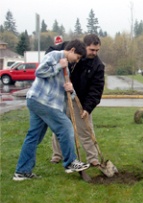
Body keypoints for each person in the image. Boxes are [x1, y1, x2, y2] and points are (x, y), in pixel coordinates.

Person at [13, 39, 90, 181]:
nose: (77, 61)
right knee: (66, 127)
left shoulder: (67, 66)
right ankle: (70, 162)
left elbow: (63, 89)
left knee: (34, 137)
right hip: (43, 101)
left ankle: (22, 172)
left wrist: (71, 90)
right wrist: (58, 66)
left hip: (40, 102)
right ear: (72, 50)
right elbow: (39, 72)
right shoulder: (55, 56)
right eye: (77, 57)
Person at [47, 34, 105, 167]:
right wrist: (59, 62)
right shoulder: (69, 47)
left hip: (81, 100)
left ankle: (93, 158)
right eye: (91, 50)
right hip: (63, 95)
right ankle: (57, 155)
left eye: (97, 50)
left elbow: (96, 90)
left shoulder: (97, 65)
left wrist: (87, 108)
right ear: (84, 46)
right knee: (60, 126)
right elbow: (50, 51)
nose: (94, 53)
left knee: (85, 129)